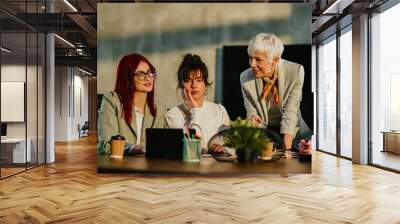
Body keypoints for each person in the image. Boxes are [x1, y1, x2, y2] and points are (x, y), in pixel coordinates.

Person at [240, 33, 312, 151]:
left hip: (294, 133)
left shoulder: (295, 71)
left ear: (275, 60)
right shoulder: (245, 77)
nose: (252, 64)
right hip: (265, 134)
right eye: (250, 58)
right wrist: (252, 117)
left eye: (258, 59)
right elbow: (250, 109)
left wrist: (287, 147)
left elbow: (291, 110)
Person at [97, 53, 166, 155]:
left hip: (149, 168)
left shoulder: (159, 110)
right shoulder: (111, 101)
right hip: (119, 167)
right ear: (128, 77)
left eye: (150, 72)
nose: (148, 78)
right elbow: (106, 145)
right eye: (141, 74)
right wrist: (133, 148)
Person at [166, 54, 230, 153]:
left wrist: (224, 149)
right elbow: (191, 149)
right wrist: (195, 110)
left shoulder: (219, 110)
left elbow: (232, 146)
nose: (194, 85)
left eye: (199, 80)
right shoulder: (172, 115)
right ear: (181, 85)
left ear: (205, 85)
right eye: (188, 80)